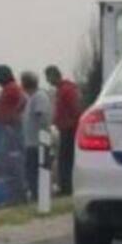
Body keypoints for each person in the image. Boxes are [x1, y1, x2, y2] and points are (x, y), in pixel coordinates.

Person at [44, 66, 82, 195]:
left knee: (66, 160)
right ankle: (66, 186)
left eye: (48, 77)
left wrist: (69, 122)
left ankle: (67, 187)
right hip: (65, 128)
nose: (48, 81)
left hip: (69, 129)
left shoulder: (66, 90)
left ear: (54, 75)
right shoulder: (62, 90)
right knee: (64, 159)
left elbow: (75, 109)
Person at [0, 65, 26, 202]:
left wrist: (11, 120)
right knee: (12, 164)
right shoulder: (11, 88)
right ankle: (16, 195)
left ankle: (17, 196)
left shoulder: (11, 89)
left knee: (13, 165)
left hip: (10, 132)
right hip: (8, 131)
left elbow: (21, 103)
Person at [21, 72, 52, 201]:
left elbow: (41, 116)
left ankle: (41, 196)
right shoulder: (32, 98)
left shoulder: (39, 97)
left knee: (38, 170)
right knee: (32, 170)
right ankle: (36, 195)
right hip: (31, 142)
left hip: (38, 141)